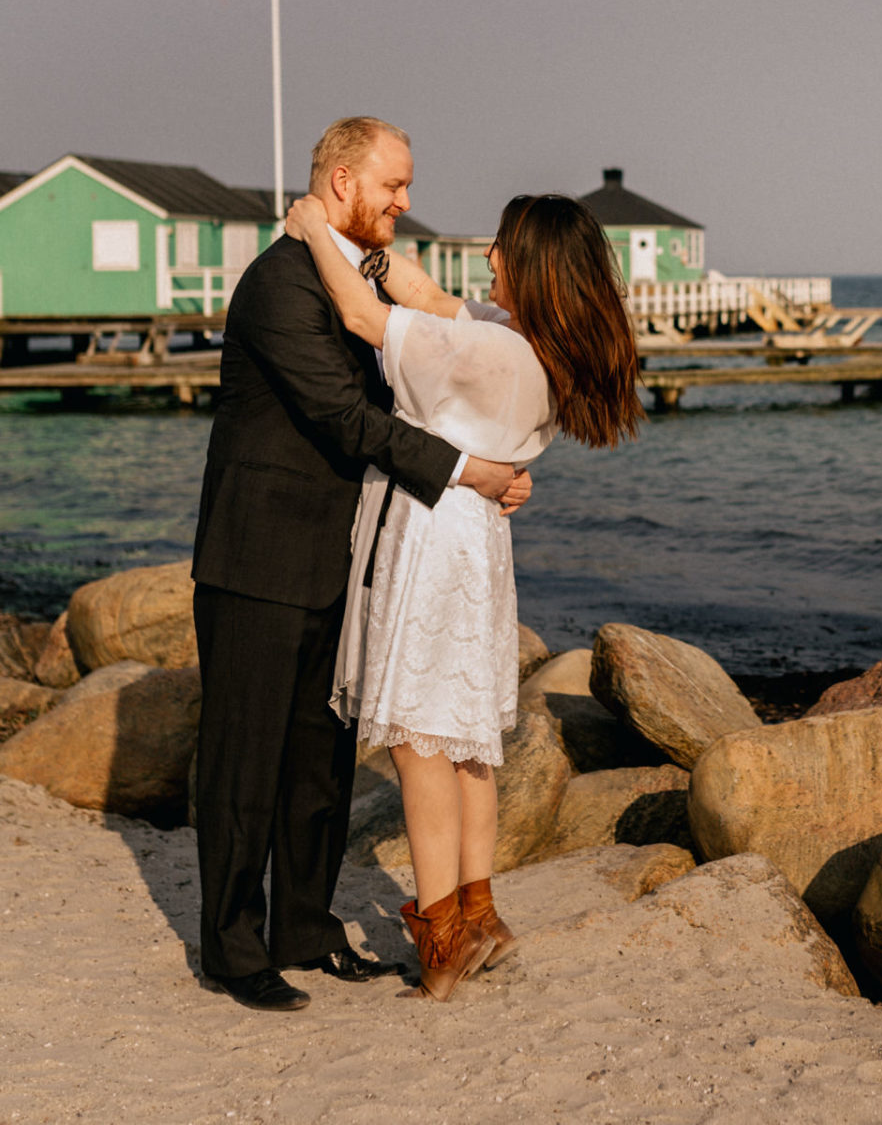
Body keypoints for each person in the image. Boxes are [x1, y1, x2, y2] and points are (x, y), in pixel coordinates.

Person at [192, 116, 532, 1013]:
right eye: (394, 185)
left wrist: (492, 462)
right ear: (342, 182)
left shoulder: (362, 279)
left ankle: (304, 927)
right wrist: (469, 472)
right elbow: (349, 417)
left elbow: (430, 382)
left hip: (343, 557)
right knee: (244, 763)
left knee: (320, 761)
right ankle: (232, 948)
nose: (406, 202)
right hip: (259, 556)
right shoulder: (279, 284)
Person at [283, 187, 642, 1001]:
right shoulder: (524, 340)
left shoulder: (496, 351)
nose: (487, 258)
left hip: (433, 531)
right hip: (479, 535)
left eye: (502, 248)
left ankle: (441, 931)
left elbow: (367, 320)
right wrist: (370, 254)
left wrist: (313, 232)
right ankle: (480, 913)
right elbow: (426, 298)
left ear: (535, 265)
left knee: (418, 739)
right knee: (470, 736)